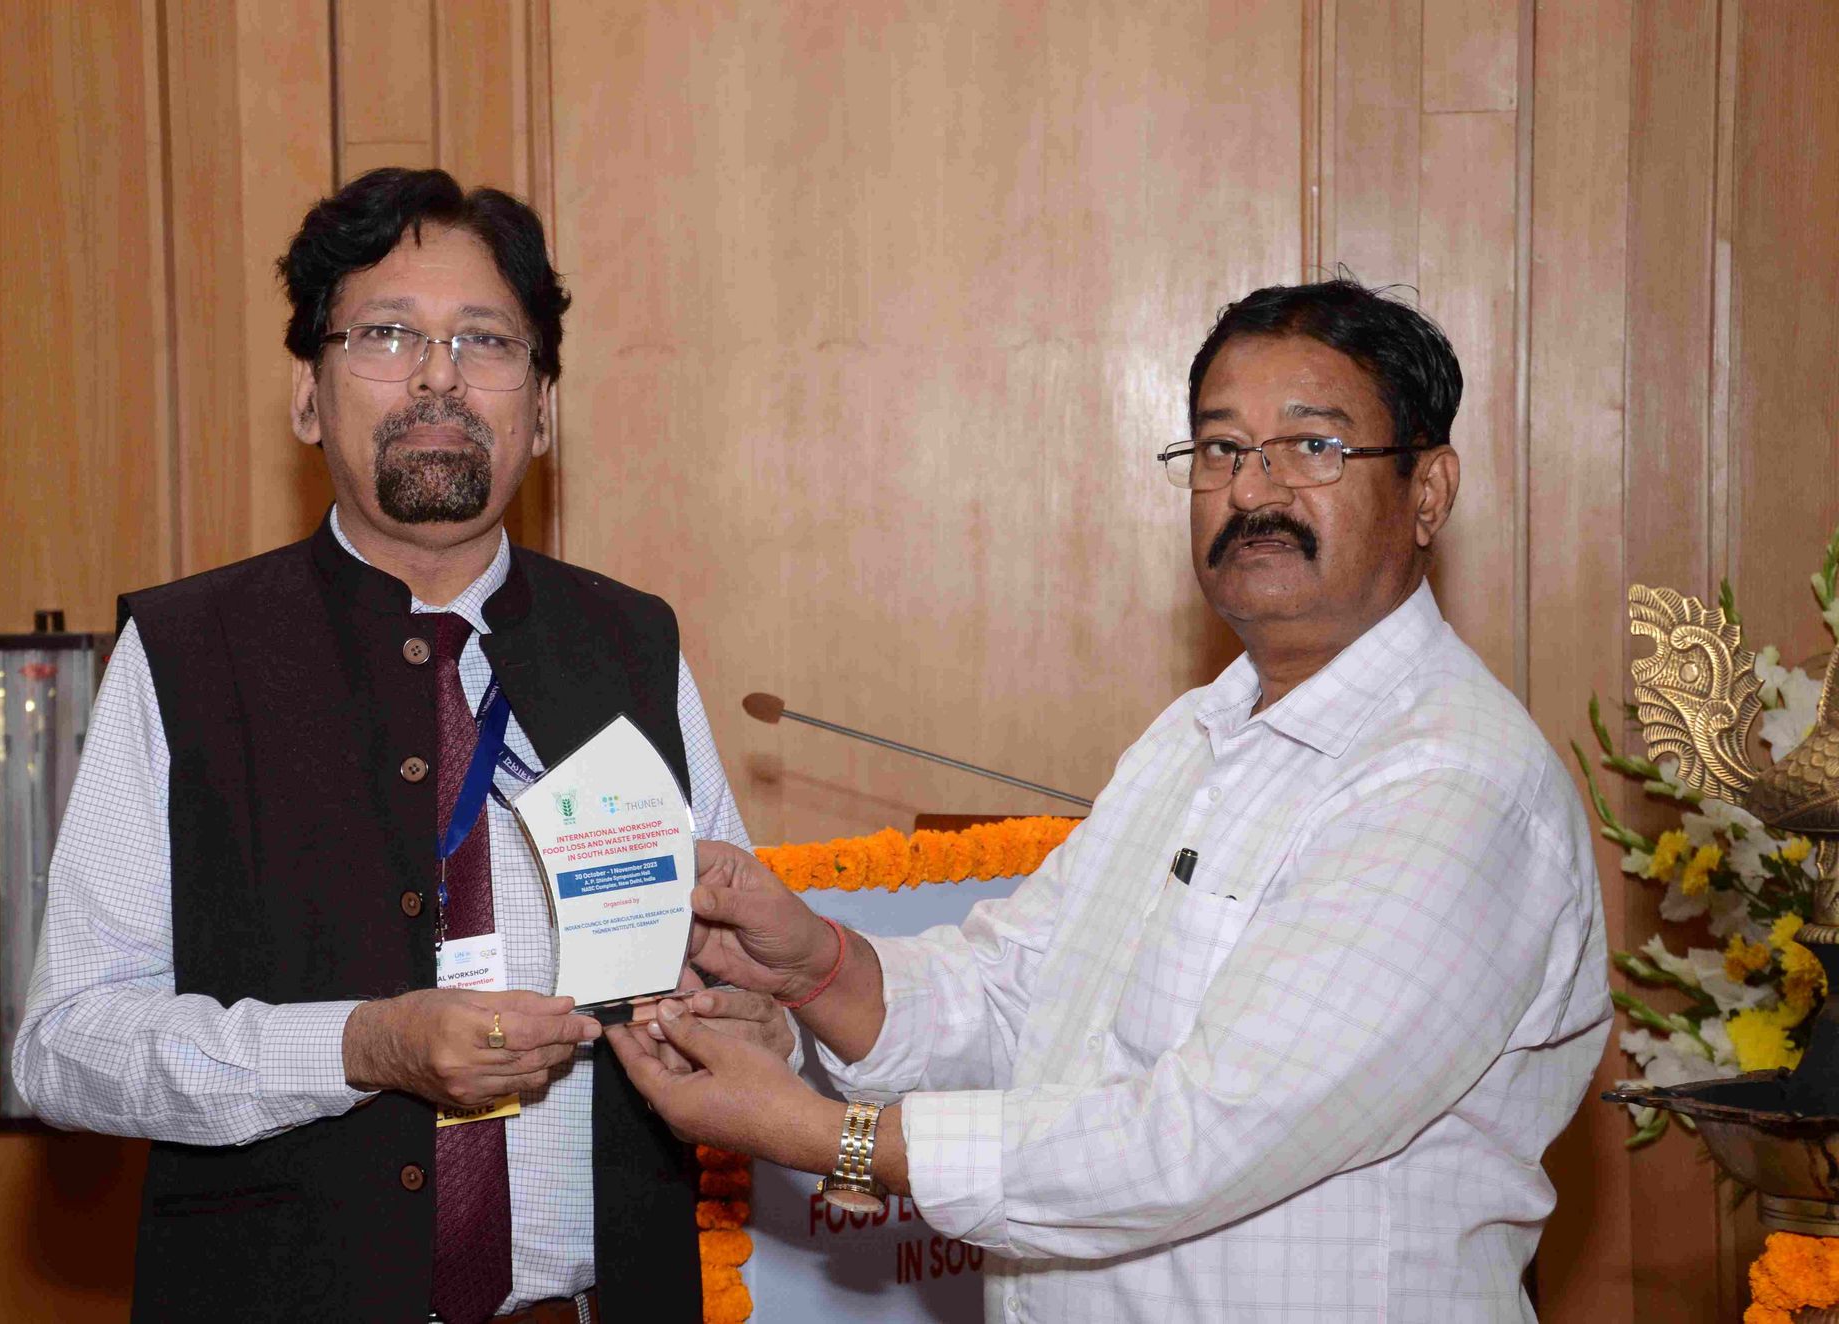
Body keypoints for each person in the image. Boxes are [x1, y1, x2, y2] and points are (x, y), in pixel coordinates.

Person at [609, 279, 1612, 1322]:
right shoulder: (1190, 736)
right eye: (1219, 450)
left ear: (1426, 490)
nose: (1252, 489)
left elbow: (1198, 1137)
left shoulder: (1453, 783)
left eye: (1310, 447)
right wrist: (816, 963)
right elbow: (1018, 993)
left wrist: (816, 1134)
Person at [13, 167, 789, 1324]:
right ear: (308, 398)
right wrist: (362, 1046)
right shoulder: (187, 653)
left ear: (543, 406)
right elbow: (64, 1049)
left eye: (484, 341)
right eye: (385, 334)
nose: (437, 376)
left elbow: (743, 990)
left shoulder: (630, 647)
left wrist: (753, 1022)